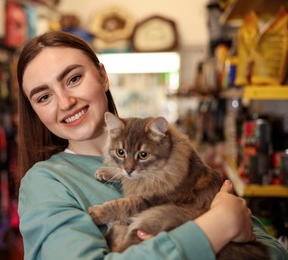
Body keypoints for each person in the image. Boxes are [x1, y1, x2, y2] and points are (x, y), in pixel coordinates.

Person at [16, 31, 287, 259]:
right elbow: (229, 223)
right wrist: (216, 227)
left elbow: (273, 252)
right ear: (35, 111)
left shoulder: (175, 153)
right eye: (44, 97)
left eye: (74, 79)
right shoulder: (46, 184)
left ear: (102, 76)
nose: (65, 102)